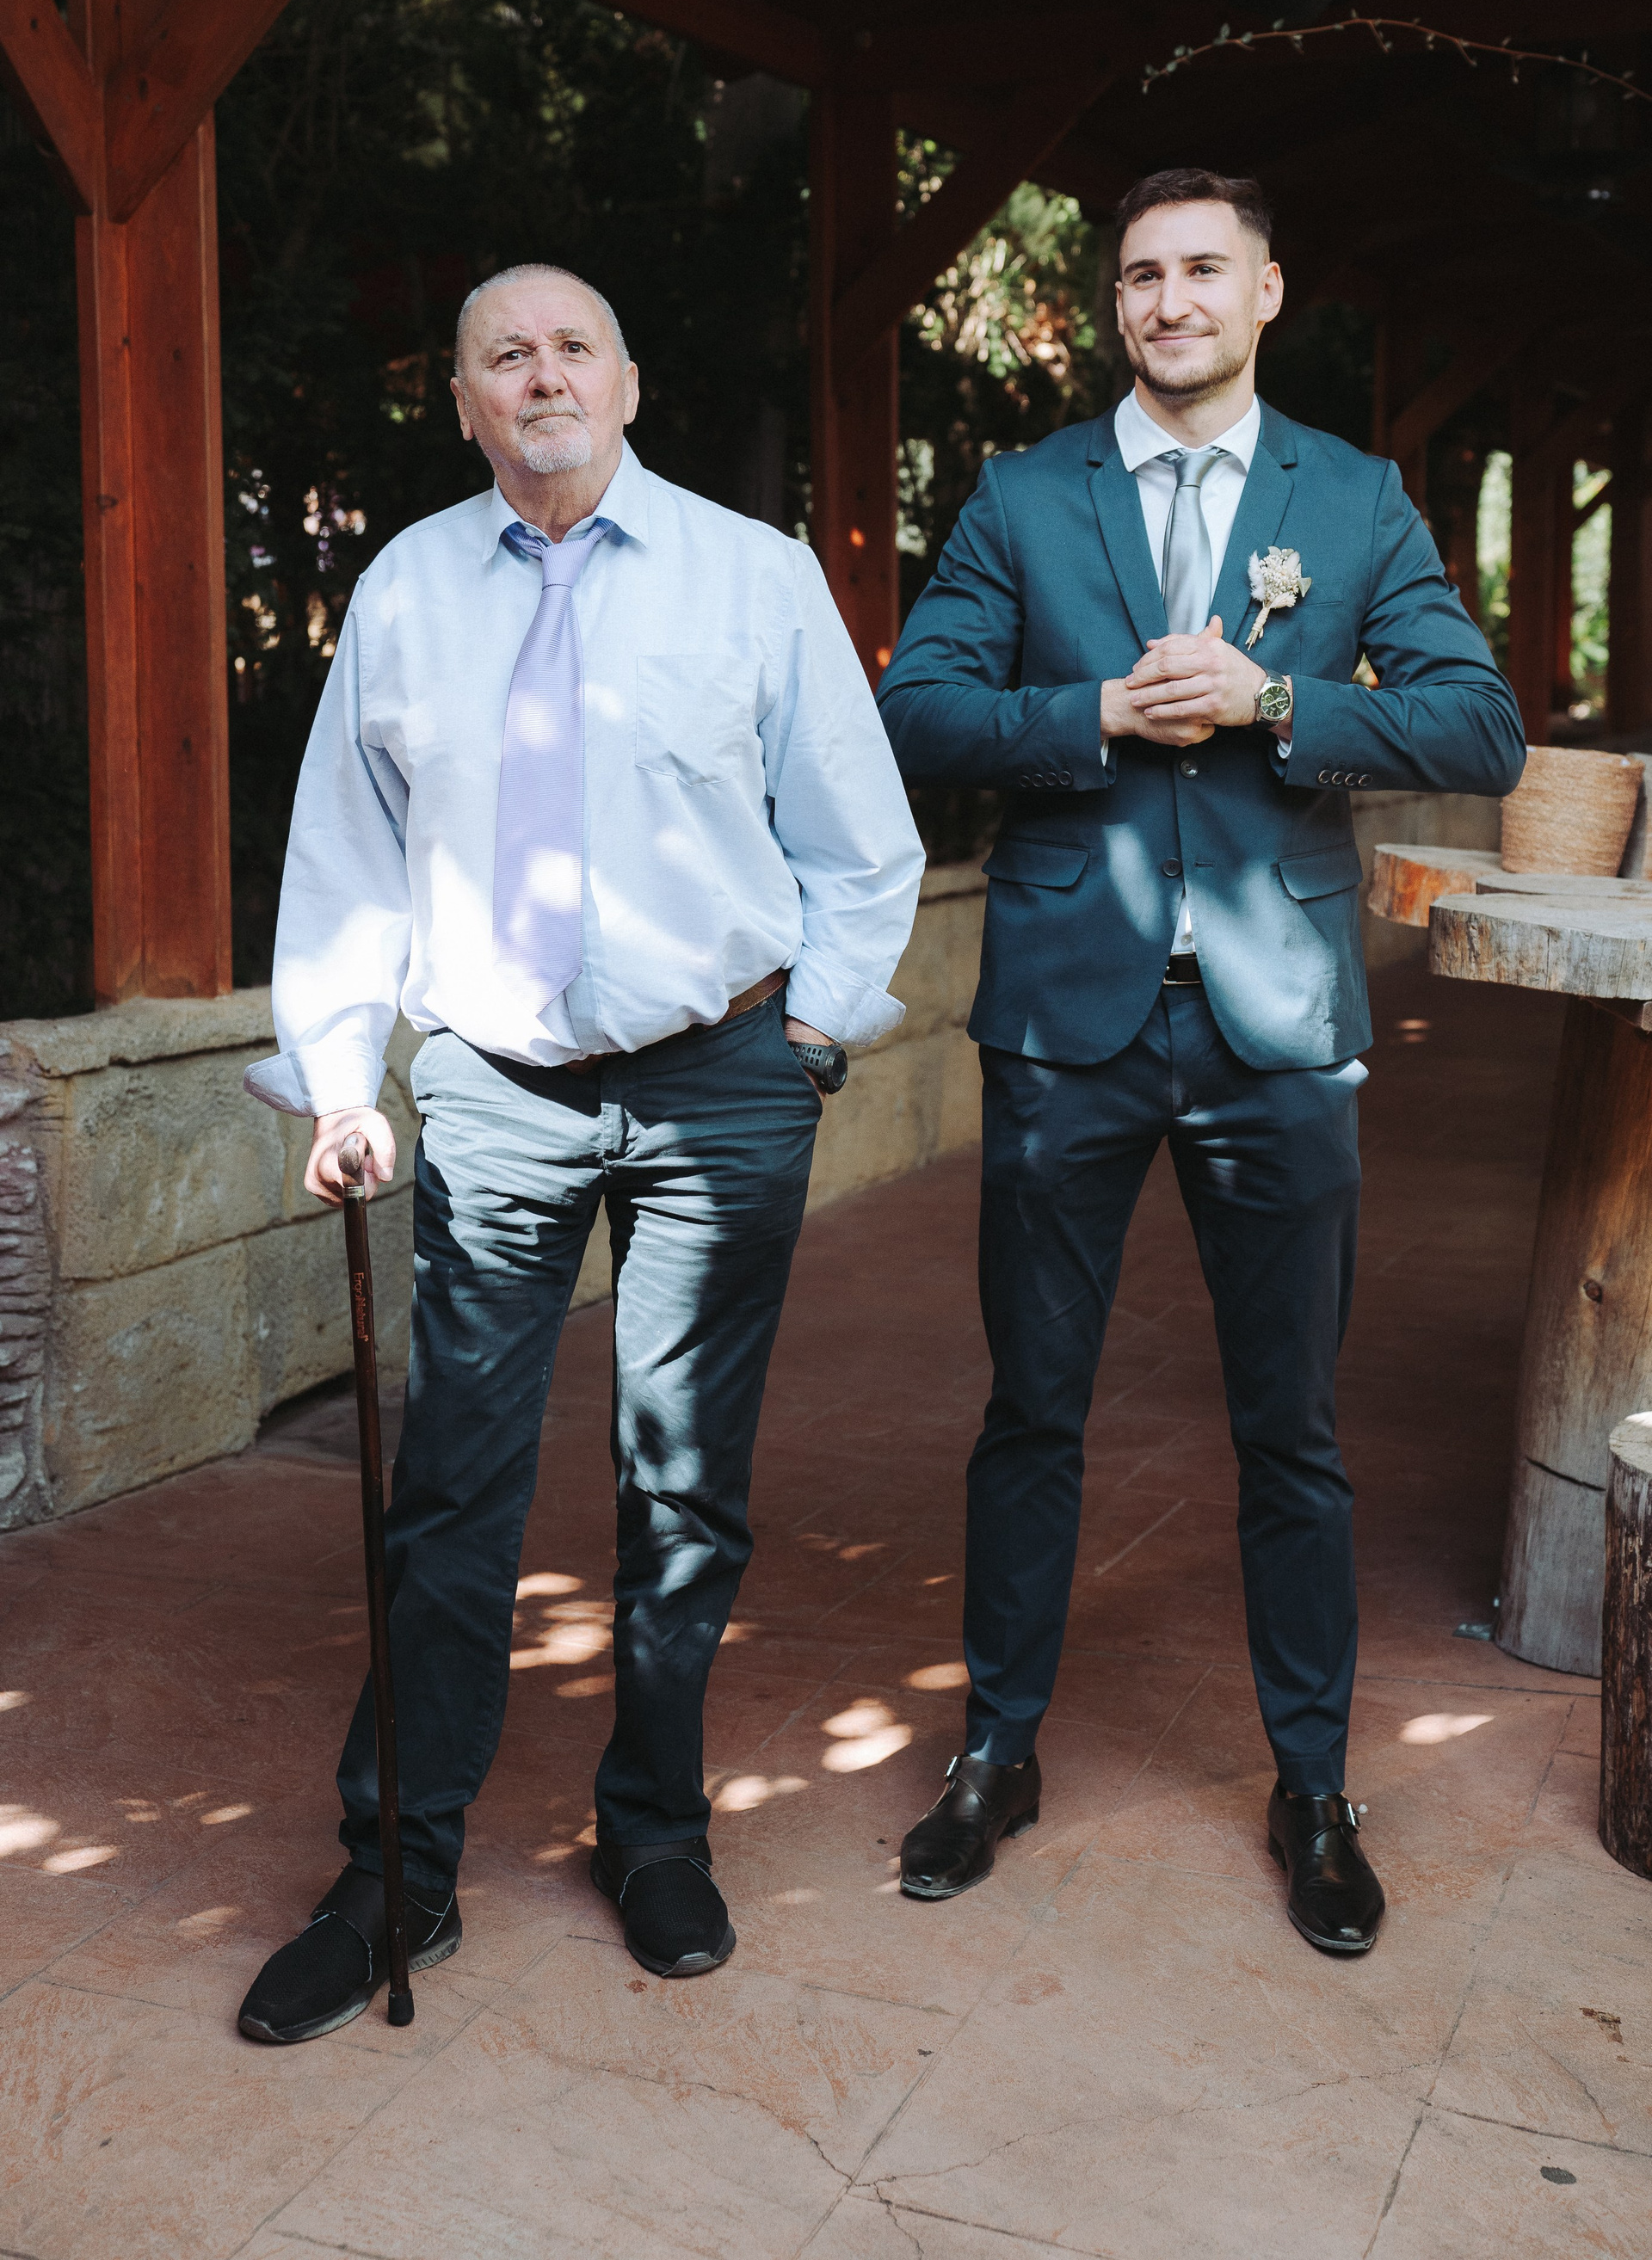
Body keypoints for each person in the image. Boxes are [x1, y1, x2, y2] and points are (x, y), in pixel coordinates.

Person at [237, 263, 923, 2040]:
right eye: (505, 356)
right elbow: (345, 856)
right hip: (496, 1085)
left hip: (721, 1080)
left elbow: (859, 836)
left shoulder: (752, 575)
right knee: (453, 1485)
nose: (542, 376)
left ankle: (656, 1831)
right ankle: (398, 1869)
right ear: (465, 402)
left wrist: (813, 1032)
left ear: (627, 383)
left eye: (572, 349)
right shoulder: (405, 589)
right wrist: (343, 1078)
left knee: (682, 1483)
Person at [878, 167, 1525, 1955]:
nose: (1170, 300)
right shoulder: (1025, 496)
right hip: (1064, 1022)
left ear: (1267, 292)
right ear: (1118, 306)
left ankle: (1313, 1787)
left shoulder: (1356, 495)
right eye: (1142, 275)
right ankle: (995, 1753)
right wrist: (1089, 711)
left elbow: (1483, 725)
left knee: (1289, 1425)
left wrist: (1280, 704)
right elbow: (915, 709)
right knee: (1033, 1409)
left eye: (1203, 271)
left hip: (1277, 1023)